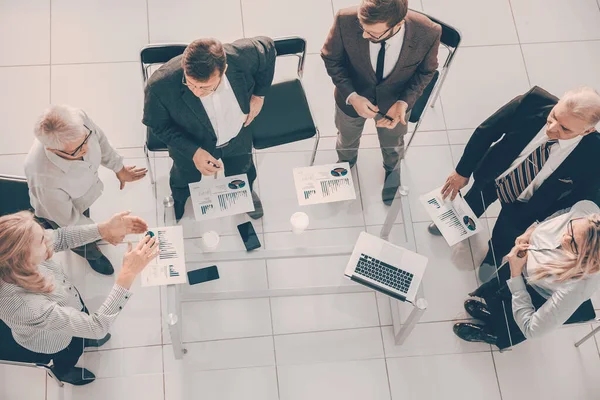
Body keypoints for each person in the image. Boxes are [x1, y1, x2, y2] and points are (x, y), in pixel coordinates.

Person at [429, 86, 600, 267]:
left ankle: (492, 259)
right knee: (471, 204)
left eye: (565, 129)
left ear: (587, 131)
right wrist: (462, 172)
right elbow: (487, 131)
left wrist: (543, 222)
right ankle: (454, 225)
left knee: (505, 236)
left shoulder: (594, 153)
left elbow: (582, 196)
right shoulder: (534, 100)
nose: (551, 128)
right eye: (554, 116)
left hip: (528, 203)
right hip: (493, 176)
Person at [0, 210, 157, 385]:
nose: (48, 239)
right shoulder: (25, 306)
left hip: (68, 301)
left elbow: (61, 237)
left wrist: (104, 229)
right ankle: (63, 372)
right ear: (23, 260)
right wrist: (128, 273)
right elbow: (96, 326)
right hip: (56, 339)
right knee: (71, 352)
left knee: (83, 325)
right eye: (42, 240)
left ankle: (84, 338)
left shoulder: (19, 253)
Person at [142, 37, 276, 220]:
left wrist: (259, 95)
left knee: (243, 169)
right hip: (190, 142)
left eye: (206, 88)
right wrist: (194, 152)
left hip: (238, 136)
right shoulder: (159, 85)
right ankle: (180, 198)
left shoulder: (241, 56)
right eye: (190, 84)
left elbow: (268, 48)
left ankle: (245, 192)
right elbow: (157, 125)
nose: (196, 92)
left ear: (224, 70)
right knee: (183, 177)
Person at [321, 0, 441, 205]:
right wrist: (352, 96)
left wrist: (404, 102)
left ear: (398, 24)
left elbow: (426, 71)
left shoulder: (428, 32)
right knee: (346, 137)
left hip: (396, 103)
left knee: (393, 144)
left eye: (373, 34)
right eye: (362, 28)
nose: (365, 36)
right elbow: (331, 59)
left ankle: (392, 170)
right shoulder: (344, 19)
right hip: (351, 99)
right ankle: (346, 163)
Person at [453, 200, 600, 349]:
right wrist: (530, 232)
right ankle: (490, 312)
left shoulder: (577, 286)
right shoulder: (586, 209)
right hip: (516, 269)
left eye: (574, 243)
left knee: (509, 322)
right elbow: (563, 212)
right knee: (494, 298)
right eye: (571, 226)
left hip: (534, 294)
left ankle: (492, 334)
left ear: (588, 258)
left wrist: (516, 275)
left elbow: (532, 329)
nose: (565, 237)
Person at [24, 105, 148, 275]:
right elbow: (70, 222)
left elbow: (101, 140)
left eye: (86, 138)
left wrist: (119, 168)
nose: (87, 148)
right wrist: (104, 232)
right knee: (80, 241)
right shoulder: (44, 179)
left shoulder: (77, 119)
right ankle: (92, 255)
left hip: (81, 195)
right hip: (58, 213)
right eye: (78, 149)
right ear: (53, 150)